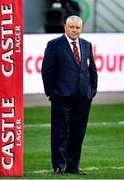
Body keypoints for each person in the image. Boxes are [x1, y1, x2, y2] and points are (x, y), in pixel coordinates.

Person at [42, 15, 98, 175]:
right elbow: (47, 71)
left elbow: (92, 70)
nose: (74, 30)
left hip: (83, 98)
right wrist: (52, 92)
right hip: (61, 97)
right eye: (71, 27)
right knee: (60, 132)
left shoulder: (87, 45)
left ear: (81, 29)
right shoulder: (54, 45)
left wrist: (92, 91)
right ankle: (59, 165)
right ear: (65, 27)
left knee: (78, 132)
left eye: (77, 28)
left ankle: (73, 166)